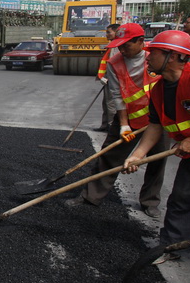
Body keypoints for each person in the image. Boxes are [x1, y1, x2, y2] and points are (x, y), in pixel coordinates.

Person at [65, 23, 168, 217]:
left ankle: (150, 202)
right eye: (118, 45)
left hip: (159, 120)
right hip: (129, 118)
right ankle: (90, 196)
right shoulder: (115, 63)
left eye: (126, 45)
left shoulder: (155, 58)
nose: (121, 50)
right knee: (109, 156)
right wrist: (123, 125)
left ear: (140, 41)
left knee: (157, 161)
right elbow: (117, 96)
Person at [123, 30, 190, 264]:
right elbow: (155, 126)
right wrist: (137, 155)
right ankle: (173, 246)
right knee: (182, 199)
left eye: (153, 53)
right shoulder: (159, 89)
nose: (147, 58)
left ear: (173, 56)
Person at [95, 23, 121, 131]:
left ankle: (112, 127)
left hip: (112, 81)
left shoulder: (117, 47)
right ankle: (105, 125)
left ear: (117, 32)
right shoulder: (112, 46)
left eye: (109, 32)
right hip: (106, 79)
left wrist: (109, 78)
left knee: (111, 104)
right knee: (105, 104)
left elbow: (114, 65)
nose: (107, 35)